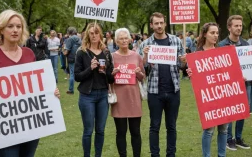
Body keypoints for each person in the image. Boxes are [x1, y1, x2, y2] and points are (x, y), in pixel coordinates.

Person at [0, 9, 60, 157]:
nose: (15, 30)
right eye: (10, 26)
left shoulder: (29, 54)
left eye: (18, 26)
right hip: (4, 129)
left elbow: (36, 87)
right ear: (1, 29)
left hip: (31, 124)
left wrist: (51, 93)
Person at [138, 12, 185, 157]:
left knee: (171, 127)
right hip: (154, 92)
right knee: (154, 126)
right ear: (151, 25)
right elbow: (141, 70)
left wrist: (184, 61)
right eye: (156, 23)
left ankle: (171, 154)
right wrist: (145, 56)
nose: (159, 26)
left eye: (161, 22)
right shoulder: (145, 44)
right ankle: (155, 154)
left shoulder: (176, 41)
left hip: (173, 90)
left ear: (165, 23)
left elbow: (181, 65)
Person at [187, 22, 228, 157]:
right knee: (209, 130)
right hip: (208, 97)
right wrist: (191, 74)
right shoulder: (198, 54)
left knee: (224, 129)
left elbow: (228, 72)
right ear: (205, 34)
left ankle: (222, 155)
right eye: (212, 33)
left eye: (217, 33)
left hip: (223, 95)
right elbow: (197, 80)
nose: (215, 36)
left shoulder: (222, 51)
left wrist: (239, 78)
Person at [74, 22, 115, 157]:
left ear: (100, 34)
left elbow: (111, 79)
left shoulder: (106, 53)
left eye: (96, 32)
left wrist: (109, 74)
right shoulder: (82, 52)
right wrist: (90, 68)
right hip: (87, 96)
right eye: (91, 33)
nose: (94, 35)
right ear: (87, 35)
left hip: (103, 94)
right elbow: (77, 77)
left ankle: (98, 155)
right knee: (88, 130)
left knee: (100, 130)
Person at [111, 28, 145, 157]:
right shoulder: (112, 56)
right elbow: (107, 78)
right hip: (118, 99)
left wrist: (138, 73)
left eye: (126, 38)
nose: (124, 40)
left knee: (135, 131)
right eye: (121, 38)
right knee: (121, 132)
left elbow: (143, 77)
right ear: (116, 41)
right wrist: (112, 73)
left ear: (130, 40)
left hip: (134, 98)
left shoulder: (136, 56)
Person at [218, 15, 250, 150]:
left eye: (240, 25)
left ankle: (238, 137)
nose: (239, 28)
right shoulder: (221, 45)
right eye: (236, 25)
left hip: (244, 84)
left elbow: (250, 65)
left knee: (242, 111)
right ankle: (228, 139)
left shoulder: (246, 45)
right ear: (229, 27)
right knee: (230, 111)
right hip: (228, 85)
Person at [64, 27, 81, 94]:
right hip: (79, 58)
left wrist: (63, 51)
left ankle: (71, 90)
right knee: (78, 73)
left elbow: (66, 51)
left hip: (71, 59)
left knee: (72, 74)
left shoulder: (69, 39)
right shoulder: (79, 38)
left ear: (69, 32)